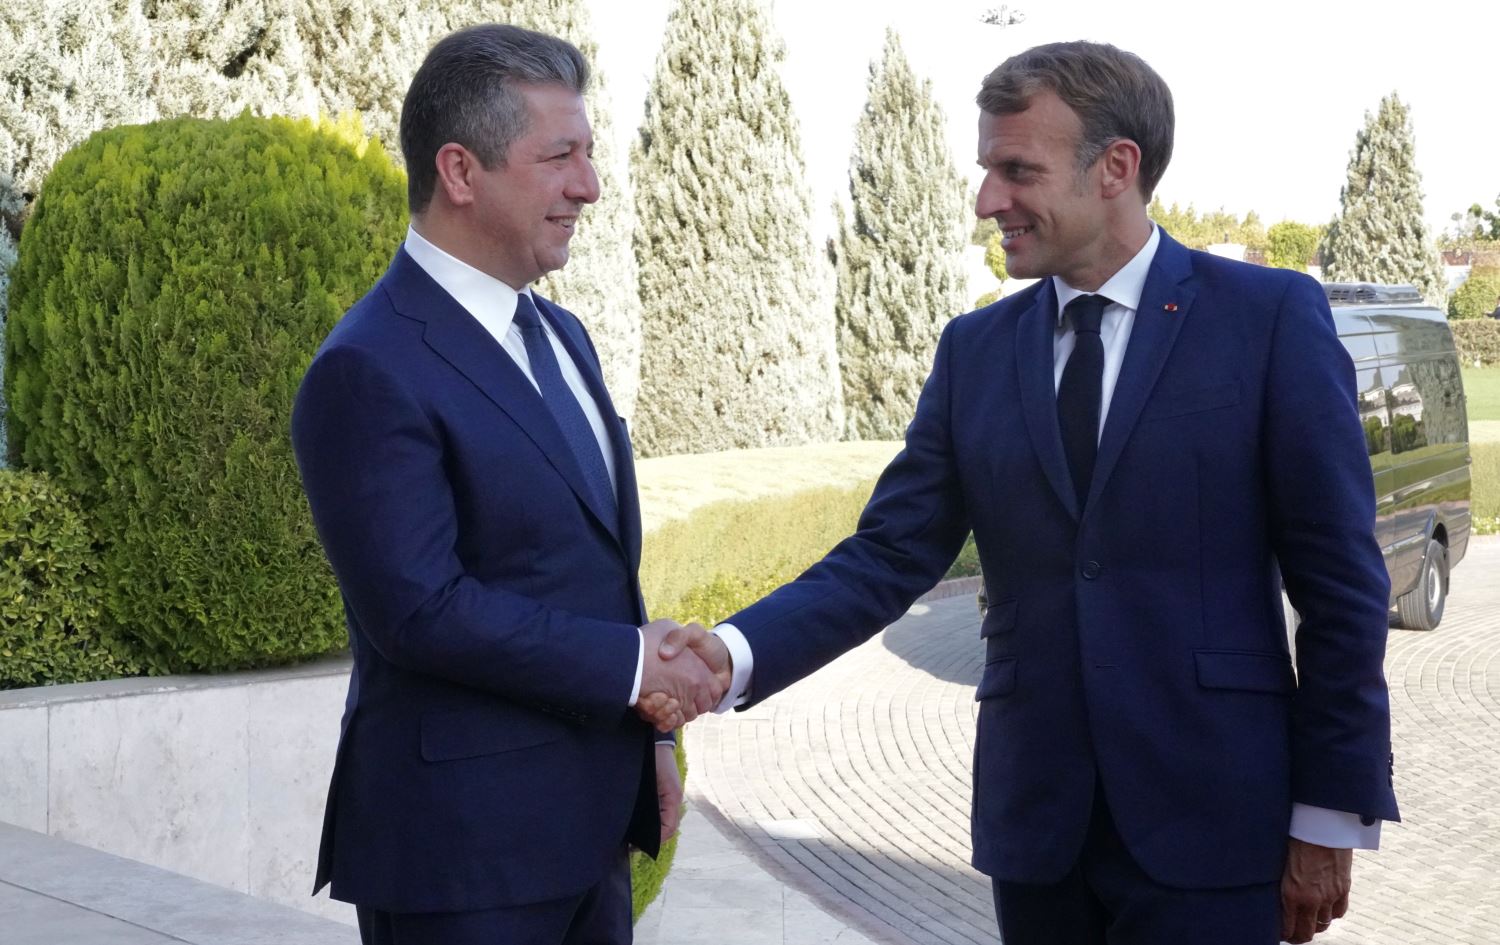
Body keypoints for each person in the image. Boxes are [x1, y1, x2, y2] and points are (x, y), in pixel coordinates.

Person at [663, 40, 1398, 945]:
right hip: (1039, 833)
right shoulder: (974, 351)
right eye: (987, 170)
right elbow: (889, 555)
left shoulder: (1268, 318)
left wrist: (1329, 811)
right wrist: (729, 655)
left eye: (1017, 171)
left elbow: (1341, 584)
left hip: (1217, 824)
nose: (987, 200)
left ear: (1115, 168)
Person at [291, 24, 725, 945]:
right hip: (460, 859)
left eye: (588, 154)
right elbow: (420, 610)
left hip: (591, 836)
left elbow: (588, 571)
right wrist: (636, 665)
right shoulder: (367, 366)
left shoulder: (564, 337)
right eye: (560, 157)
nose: (589, 185)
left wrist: (649, 735)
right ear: (459, 170)